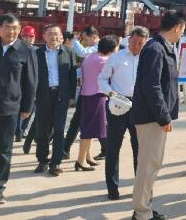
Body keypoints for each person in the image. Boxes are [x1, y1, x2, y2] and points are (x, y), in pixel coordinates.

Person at [130, 10, 185, 220]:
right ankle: (142, 213)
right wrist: (163, 116)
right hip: (151, 118)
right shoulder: (155, 48)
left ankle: (145, 208)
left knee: (152, 164)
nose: (182, 33)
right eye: (183, 29)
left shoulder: (163, 47)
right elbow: (151, 86)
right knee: (147, 166)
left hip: (154, 117)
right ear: (177, 27)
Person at [0, 13, 37, 205]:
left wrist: (27, 107)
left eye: (15, 28)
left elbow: (31, 81)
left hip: (8, 108)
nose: (12, 31)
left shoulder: (26, 50)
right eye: (7, 27)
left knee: (3, 151)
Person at [99, 26, 148, 200]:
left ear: (145, 43)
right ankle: (112, 188)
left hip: (140, 105)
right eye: (134, 42)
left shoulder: (148, 58)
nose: (136, 46)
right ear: (129, 40)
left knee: (139, 148)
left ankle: (140, 187)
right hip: (118, 104)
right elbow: (102, 79)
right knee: (113, 147)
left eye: (141, 43)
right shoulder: (116, 57)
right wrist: (110, 93)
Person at [34, 24, 77, 177]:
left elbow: (73, 75)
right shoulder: (37, 53)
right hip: (43, 95)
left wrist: (72, 96)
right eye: (50, 34)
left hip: (61, 96)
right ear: (44, 36)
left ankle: (56, 163)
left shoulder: (68, 52)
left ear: (61, 36)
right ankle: (42, 160)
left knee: (59, 130)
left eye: (56, 34)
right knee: (42, 130)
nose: (53, 37)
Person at [77, 35, 119, 171]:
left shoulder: (90, 57)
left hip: (87, 94)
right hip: (97, 95)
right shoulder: (104, 60)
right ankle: (81, 160)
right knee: (89, 129)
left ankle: (87, 156)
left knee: (90, 127)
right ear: (111, 49)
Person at [63, 26, 104, 160]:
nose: (85, 42)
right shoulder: (94, 49)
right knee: (85, 121)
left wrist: (74, 39)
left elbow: (82, 52)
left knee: (89, 122)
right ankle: (66, 149)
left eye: (86, 39)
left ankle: (68, 150)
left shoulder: (99, 47)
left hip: (93, 92)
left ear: (94, 36)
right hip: (88, 89)